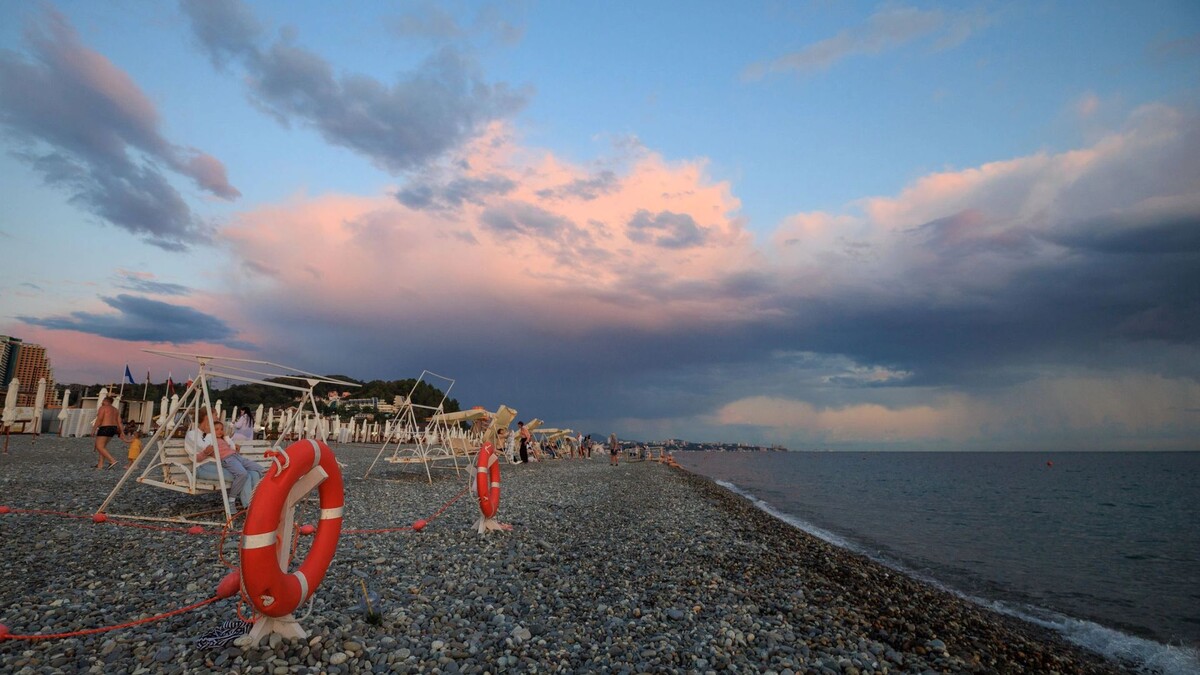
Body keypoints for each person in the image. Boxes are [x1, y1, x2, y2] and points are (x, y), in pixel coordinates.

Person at [185, 409, 264, 510]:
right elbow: (206, 448)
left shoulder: (215, 434)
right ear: (207, 417)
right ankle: (250, 508)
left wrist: (229, 444)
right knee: (245, 475)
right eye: (216, 415)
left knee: (254, 473)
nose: (218, 418)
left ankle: (258, 501)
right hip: (203, 467)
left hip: (221, 464)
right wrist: (213, 434)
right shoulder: (193, 434)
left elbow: (227, 448)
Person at [91, 396, 125, 469]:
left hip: (105, 427)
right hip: (113, 428)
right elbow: (119, 422)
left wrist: (94, 429)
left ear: (105, 401)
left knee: (99, 446)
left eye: (102, 401)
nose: (101, 402)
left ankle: (112, 460)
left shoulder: (103, 408)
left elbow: (99, 419)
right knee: (102, 447)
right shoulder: (116, 410)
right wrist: (122, 432)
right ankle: (100, 465)